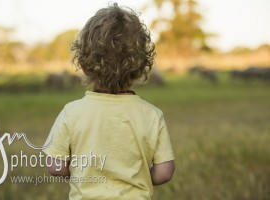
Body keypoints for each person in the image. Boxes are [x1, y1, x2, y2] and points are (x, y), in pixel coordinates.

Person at [43, 3, 175, 199]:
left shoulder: (72, 113)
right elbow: (164, 172)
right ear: (141, 66)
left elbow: (55, 166)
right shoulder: (152, 115)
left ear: (83, 63)